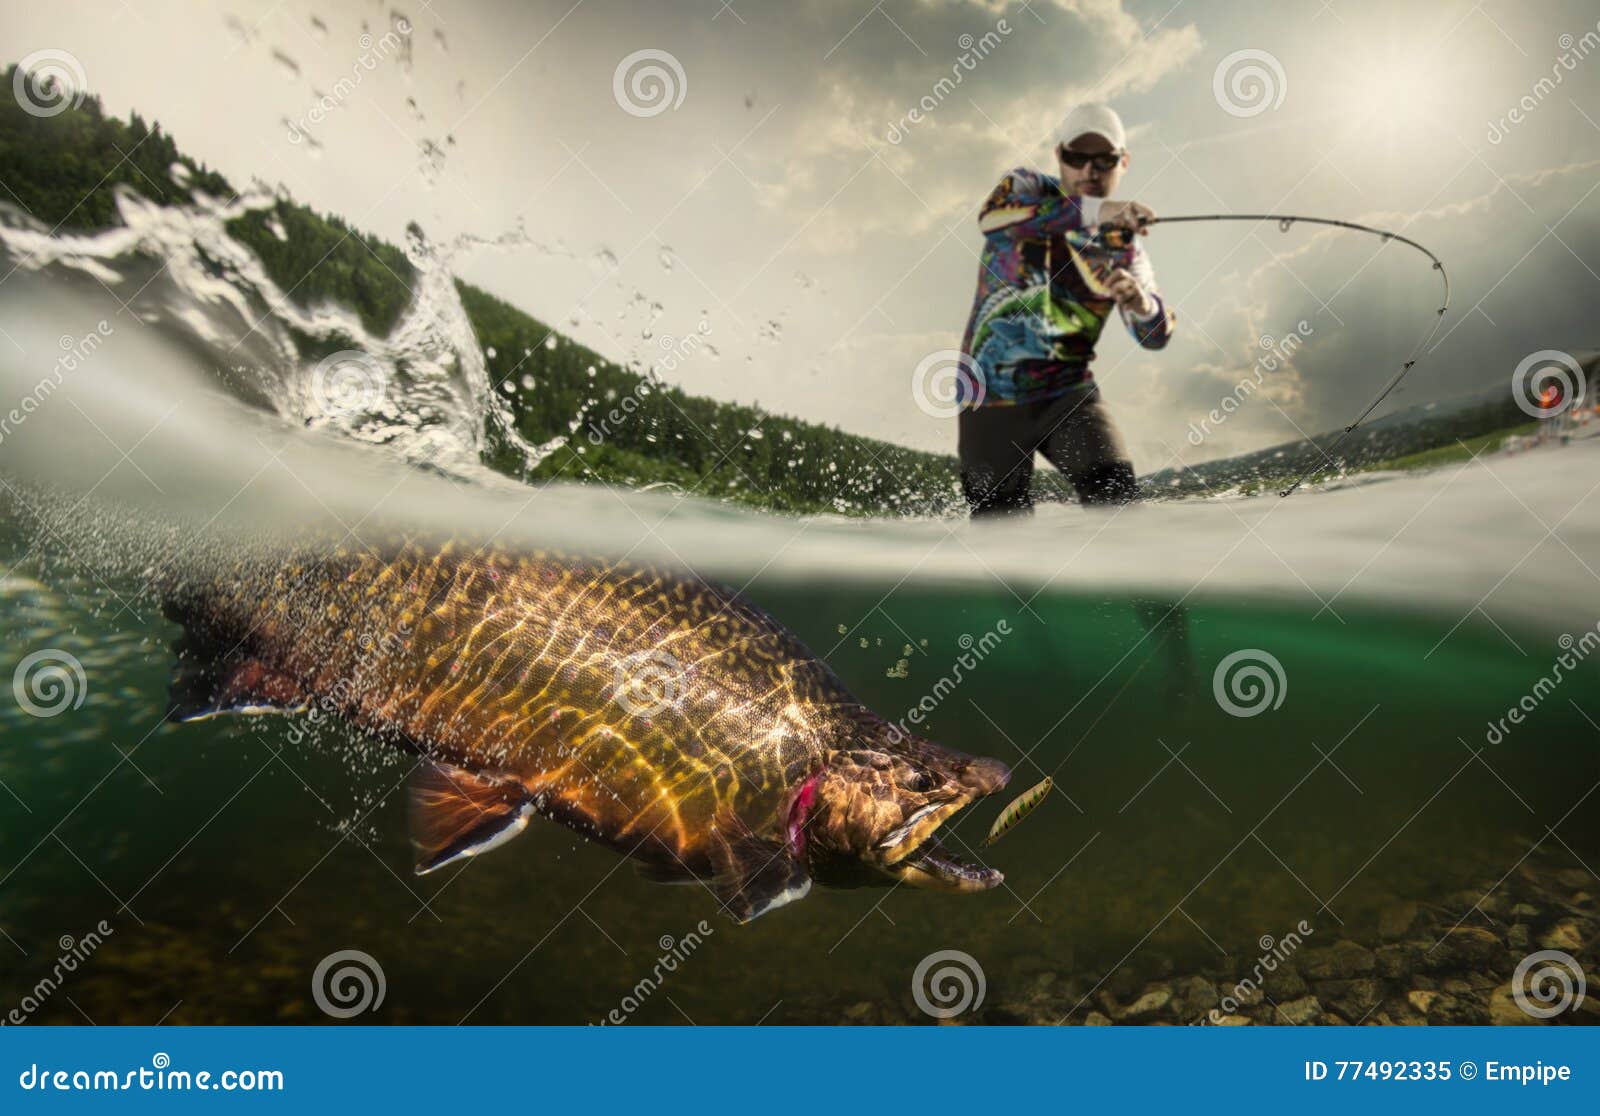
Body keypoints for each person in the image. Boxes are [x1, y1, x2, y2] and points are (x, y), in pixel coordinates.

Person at [957, 102, 1175, 515]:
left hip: (1068, 396)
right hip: (989, 396)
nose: (1089, 171)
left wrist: (1141, 304)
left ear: (1123, 162)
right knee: (1000, 527)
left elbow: (1156, 337)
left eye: (1104, 160)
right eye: (1077, 158)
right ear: (1059, 156)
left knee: (1118, 504)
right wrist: (1098, 211)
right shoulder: (1027, 187)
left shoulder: (1127, 252)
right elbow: (990, 220)